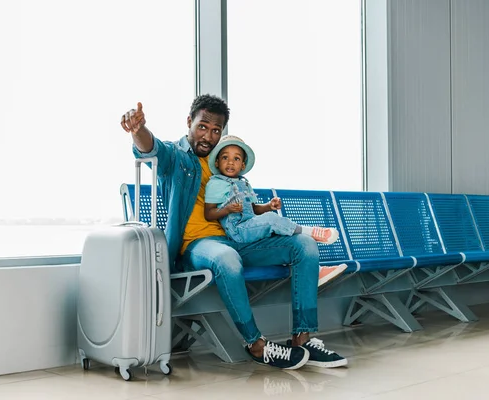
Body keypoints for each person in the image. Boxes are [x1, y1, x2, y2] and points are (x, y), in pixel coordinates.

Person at [120, 94, 347, 369]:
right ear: (189, 122)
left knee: (304, 245)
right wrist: (138, 129)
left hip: (236, 240)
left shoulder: (223, 163)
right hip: (198, 246)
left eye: (216, 130)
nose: (208, 136)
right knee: (226, 257)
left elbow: (245, 209)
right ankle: (255, 344)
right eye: (202, 126)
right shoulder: (177, 157)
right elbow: (150, 149)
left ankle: (302, 338)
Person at [204, 134, 348, 286]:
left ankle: (316, 272)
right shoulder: (215, 184)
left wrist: (268, 206)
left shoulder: (244, 184)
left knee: (286, 240)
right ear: (217, 162)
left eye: (236, 159)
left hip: (252, 226)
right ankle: (310, 231)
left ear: (243, 166)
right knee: (272, 220)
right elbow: (209, 213)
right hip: (239, 232)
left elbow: (253, 209)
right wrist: (227, 209)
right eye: (225, 157)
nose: (230, 162)